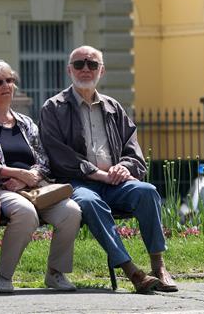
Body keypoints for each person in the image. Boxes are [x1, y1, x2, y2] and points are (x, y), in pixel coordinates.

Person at [39, 45, 177, 294]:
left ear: (101, 71)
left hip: (115, 183)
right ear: (69, 69)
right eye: (79, 64)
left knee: (147, 191)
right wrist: (98, 173)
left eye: (92, 64)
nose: (85, 69)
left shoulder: (113, 108)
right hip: (76, 183)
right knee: (90, 202)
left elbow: (133, 151)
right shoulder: (53, 108)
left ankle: (159, 267)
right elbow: (59, 156)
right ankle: (132, 271)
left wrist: (124, 168)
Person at [0, 59, 82, 293]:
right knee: (25, 214)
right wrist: (13, 174)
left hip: (35, 187)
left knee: (71, 212)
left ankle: (55, 273)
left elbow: (43, 159)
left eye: (10, 80)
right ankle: (3, 276)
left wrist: (29, 176)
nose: (7, 85)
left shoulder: (26, 122)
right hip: (1, 188)